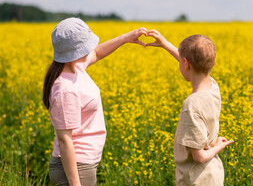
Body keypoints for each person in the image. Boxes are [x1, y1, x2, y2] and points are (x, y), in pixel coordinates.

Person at [43, 17, 147, 186]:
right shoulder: (66, 89)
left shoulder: (75, 68)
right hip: (75, 168)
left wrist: (126, 38)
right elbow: (65, 140)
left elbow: (97, 53)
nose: (89, 49)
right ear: (76, 50)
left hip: (82, 165)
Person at [146, 30, 234, 185]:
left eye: (181, 61)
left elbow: (199, 157)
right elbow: (193, 63)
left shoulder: (192, 105)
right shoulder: (213, 87)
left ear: (185, 64)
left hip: (196, 180)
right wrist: (165, 44)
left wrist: (219, 146)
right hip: (213, 175)